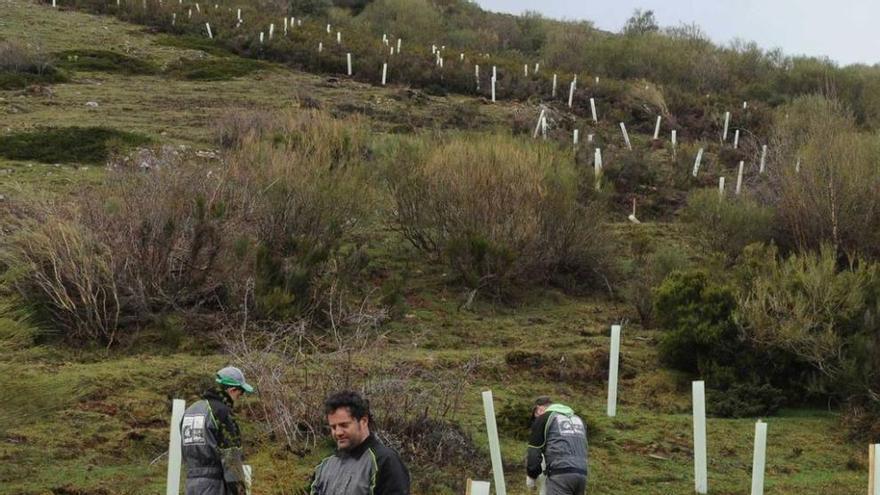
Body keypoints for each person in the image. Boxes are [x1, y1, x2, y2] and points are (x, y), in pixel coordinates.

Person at [310, 391, 410, 495]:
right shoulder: (325, 465)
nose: (338, 432)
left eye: (344, 425)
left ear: (364, 421)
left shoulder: (385, 461)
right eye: (333, 427)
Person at [180, 366, 254, 495]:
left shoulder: (190, 410)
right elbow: (231, 458)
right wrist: (239, 490)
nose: (240, 397)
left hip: (191, 485)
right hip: (215, 485)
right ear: (232, 390)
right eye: (240, 392)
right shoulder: (222, 412)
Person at [525, 396, 588, 495]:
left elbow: (534, 452)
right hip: (581, 474)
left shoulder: (544, 418)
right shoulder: (578, 420)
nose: (536, 420)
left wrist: (531, 476)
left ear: (539, 409)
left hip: (560, 475)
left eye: (535, 417)